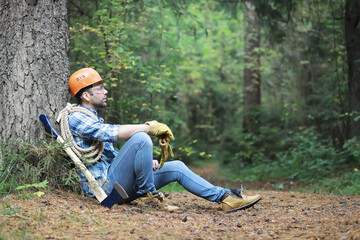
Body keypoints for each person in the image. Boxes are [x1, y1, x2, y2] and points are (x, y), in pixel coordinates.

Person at [60, 68, 261, 213]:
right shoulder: (76, 116)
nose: (106, 92)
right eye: (100, 89)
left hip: (119, 186)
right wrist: (149, 127)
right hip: (104, 190)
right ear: (86, 95)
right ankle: (151, 196)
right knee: (140, 138)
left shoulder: (93, 116)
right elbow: (107, 132)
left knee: (178, 167)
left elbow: (113, 157)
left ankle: (226, 198)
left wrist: (143, 164)